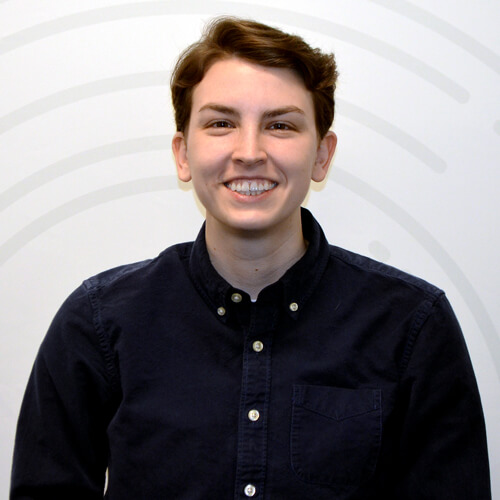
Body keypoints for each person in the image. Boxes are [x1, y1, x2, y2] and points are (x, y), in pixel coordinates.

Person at [10, 17, 491, 500]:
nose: (249, 151)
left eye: (280, 125)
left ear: (322, 156)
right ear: (182, 153)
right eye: (221, 123)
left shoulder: (413, 326)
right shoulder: (97, 324)